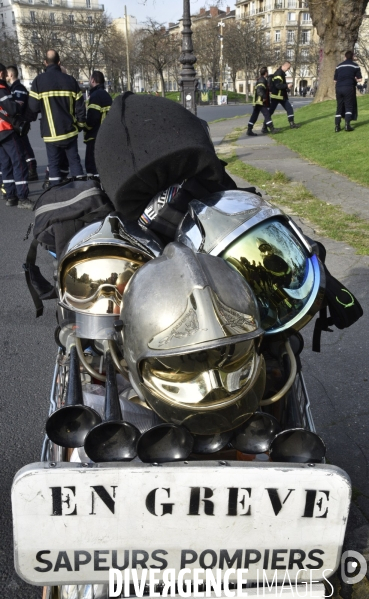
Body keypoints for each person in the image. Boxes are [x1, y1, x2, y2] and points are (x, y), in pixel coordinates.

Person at [28, 49, 86, 186]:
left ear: (44, 63)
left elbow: (33, 108)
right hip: (70, 131)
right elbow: (80, 107)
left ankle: (55, 194)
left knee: (53, 164)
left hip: (50, 133)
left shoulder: (38, 81)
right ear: (59, 62)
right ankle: (83, 192)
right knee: (74, 162)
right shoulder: (71, 80)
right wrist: (81, 125)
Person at [0, 63, 30, 208]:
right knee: (19, 162)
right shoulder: (1, 89)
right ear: (1, 74)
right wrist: (18, 105)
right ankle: (22, 198)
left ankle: (10, 196)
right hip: (6, 130)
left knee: (5, 164)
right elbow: (12, 108)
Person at [6, 65, 38, 181]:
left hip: (20, 123)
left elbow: (18, 105)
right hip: (18, 123)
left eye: (6, 74)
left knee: (24, 147)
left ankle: (32, 169)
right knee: (22, 147)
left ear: (10, 75)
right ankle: (30, 168)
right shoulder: (14, 87)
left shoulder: (18, 88)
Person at [84, 70, 112, 178]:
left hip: (94, 136)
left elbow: (93, 117)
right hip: (105, 134)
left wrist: (85, 127)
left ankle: (94, 188)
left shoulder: (95, 96)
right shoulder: (106, 95)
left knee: (91, 166)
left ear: (93, 80)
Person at [334, 50, 362, 132]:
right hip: (349, 87)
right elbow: (359, 79)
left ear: (345, 57)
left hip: (338, 88)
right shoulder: (355, 66)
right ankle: (347, 125)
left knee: (339, 106)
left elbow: (335, 80)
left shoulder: (338, 66)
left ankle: (337, 126)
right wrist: (354, 79)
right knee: (348, 106)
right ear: (352, 57)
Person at [247, 67, 279, 137]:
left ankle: (249, 130)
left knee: (254, 116)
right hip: (260, 101)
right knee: (267, 114)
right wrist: (264, 97)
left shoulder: (261, 79)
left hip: (257, 101)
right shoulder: (262, 80)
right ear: (266, 73)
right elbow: (259, 90)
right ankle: (272, 129)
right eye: (267, 72)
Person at [269, 61, 300, 128]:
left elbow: (280, 85)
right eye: (288, 68)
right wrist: (287, 86)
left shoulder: (281, 73)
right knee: (270, 112)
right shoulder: (279, 73)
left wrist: (287, 88)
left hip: (281, 96)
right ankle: (264, 127)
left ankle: (292, 124)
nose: (288, 69)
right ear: (285, 65)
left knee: (289, 109)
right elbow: (277, 85)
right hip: (277, 96)